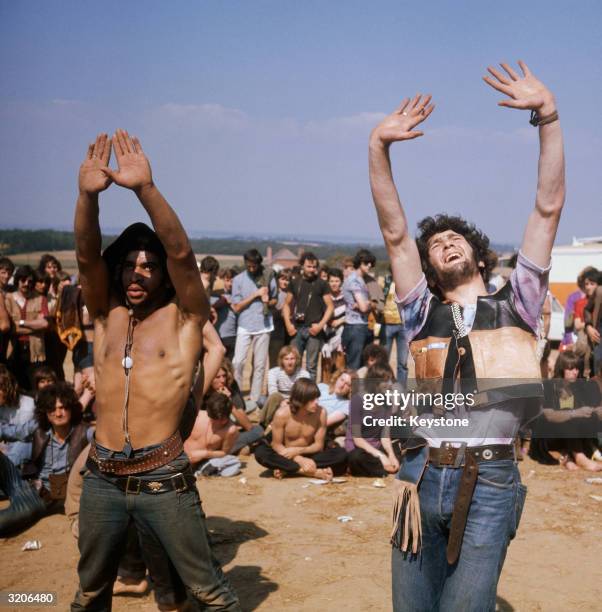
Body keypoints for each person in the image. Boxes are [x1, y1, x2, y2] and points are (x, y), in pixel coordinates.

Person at [369, 61, 565, 611]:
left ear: (478, 254)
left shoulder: (518, 304)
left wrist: (547, 117)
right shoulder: (419, 312)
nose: (445, 243)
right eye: (436, 244)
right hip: (420, 472)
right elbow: (394, 231)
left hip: (492, 480)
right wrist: (377, 148)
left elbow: (547, 209)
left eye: (456, 237)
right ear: (429, 267)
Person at [72, 130, 240, 610]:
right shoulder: (106, 316)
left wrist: (146, 190)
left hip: (162, 477)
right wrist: (87, 196)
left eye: (149, 265)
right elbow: (86, 255)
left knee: (212, 593)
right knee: (88, 594)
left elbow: (183, 255)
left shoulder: (187, 319)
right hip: (102, 478)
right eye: (129, 265)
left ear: (164, 273)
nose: (137, 273)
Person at [0, 382, 90, 536]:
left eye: (63, 408)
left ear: (71, 409)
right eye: (52, 409)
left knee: (7, 521)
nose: (58, 413)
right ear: (45, 412)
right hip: (26, 484)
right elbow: (10, 432)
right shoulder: (38, 429)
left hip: (41, 499)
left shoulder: (84, 432)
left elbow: (104, 438)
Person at [253, 378, 347, 480]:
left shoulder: (321, 413)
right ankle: (308, 472)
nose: (317, 402)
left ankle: (287, 469)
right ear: (301, 400)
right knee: (260, 453)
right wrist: (299, 459)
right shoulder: (282, 414)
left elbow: (318, 445)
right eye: (312, 399)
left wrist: (297, 451)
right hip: (285, 453)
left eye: (317, 398)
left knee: (341, 455)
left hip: (310, 453)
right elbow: (277, 445)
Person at [529, 351, 602, 471]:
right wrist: (574, 413)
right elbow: (548, 415)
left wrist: (594, 411)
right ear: (561, 369)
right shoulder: (549, 386)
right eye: (571, 369)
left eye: (577, 369)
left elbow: (584, 410)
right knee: (570, 417)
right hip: (548, 435)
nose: (575, 372)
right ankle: (579, 457)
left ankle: (569, 455)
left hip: (568, 436)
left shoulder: (577, 387)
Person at [231, 249, 277, 404]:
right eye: (248, 266)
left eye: (254, 266)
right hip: (244, 325)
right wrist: (255, 295)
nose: (251, 269)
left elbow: (275, 301)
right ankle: (236, 396)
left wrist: (267, 301)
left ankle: (255, 399)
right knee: (238, 362)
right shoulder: (238, 280)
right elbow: (236, 307)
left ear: (259, 264)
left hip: (264, 326)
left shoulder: (269, 277)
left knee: (259, 365)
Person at [283, 252, 333, 381]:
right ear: (302, 266)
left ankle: (309, 396)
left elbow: (330, 307)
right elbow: (286, 305)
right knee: (294, 364)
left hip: (314, 330)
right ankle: (296, 393)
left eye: (314, 267)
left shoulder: (322, 284)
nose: (312, 270)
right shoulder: (295, 283)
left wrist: (320, 325)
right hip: (296, 329)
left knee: (311, 366)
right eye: (309, 266)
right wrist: (288, 325)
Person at [345, 363, 401, 477]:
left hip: (377, 447)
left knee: (398, 449)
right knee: (356, 458)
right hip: (360, 448)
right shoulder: (358, 400)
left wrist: (391, 455)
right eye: (385, 381)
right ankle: (382, 468)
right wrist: (380, 456)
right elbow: (357, 439)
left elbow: (385, 435)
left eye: (390, 380)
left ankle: (382, 468)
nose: (390, 384)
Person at [205, 357, 264, 455]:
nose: (222, 380)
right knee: (258, 431)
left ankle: (236, 448)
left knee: (257, 430)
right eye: (217, 377)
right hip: (212, 438)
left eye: (224, 376)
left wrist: (229, 402)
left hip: (226, 435)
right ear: (210, 378)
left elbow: (248, 426)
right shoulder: (203, 394)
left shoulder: (230, 386)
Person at [4, 265, 49, 390]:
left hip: (35, 350)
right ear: (17, 280)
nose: (26, 284)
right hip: (13, 349)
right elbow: (10, 328)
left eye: (30, 281)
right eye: (23, 280)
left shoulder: (41, 299)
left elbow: (44, 324)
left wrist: (21, 322)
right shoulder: (8, 298)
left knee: (34, 387)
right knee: (14, 387)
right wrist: (35, 325)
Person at [184, 393, 241, 477]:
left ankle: (203, 470)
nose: (222, 422)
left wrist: (204, 454)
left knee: (234, 462)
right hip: (181, 458)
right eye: (215, 419)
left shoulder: (231, 430)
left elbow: (224, 452)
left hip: (202, 461)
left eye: (223, 418)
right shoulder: (198, 416)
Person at [259, 345, 309, 428]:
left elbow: (303, 393)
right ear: (281, 360)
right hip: (278, 400)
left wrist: (289, 402)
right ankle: (263, 424)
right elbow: (272, 390)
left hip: (295, 402)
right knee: (262, 400)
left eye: (292, 358)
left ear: (297, 360)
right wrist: (282, 402)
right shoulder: (273, 372)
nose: (289, 362)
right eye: (286, 359)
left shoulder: (304, 374)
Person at [342, 249, 375, 369]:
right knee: (354, 367)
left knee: (361, 366)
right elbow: (363, 307)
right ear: (359, 263)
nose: (370, 265)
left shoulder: (361, 279)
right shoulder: (354, 280)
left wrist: (367, 304)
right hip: (355, 327)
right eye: (366, 263)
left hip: (360, 325)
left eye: (371, 263)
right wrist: (370, 304)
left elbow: (364, 305)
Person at [380, 272, 409, 386]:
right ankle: (383, 387)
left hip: (404, 326)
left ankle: (401, 389)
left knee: (403, 363)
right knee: (383, 361)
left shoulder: (408, 282)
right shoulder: (384, 281)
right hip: (387, 324)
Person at [320, 268, 346, 383]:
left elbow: (351, 314)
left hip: (341, 335)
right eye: (331, 281)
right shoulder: (323, 297)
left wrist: (340, 321)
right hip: (326, 335)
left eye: (337, 281)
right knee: (326, 366)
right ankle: (325, 393)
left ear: (341, 282)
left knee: (340, 366)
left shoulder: (346, 297)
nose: (334, 284)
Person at [268, 269, 292, 367]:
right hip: (276, 330)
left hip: (287, 330)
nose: (285, 282)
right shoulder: (274, 294)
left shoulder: (291, 294)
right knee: (275, 358)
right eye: (282, 279)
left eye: (287, 280)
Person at [214, 268, 237, 360]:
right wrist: (222, 301)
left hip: (233, 336)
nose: (230, 284)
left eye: (233, 281)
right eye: (227, 280)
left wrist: (231, 303)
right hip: (218, 335)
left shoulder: (238, 296)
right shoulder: (215, 295)